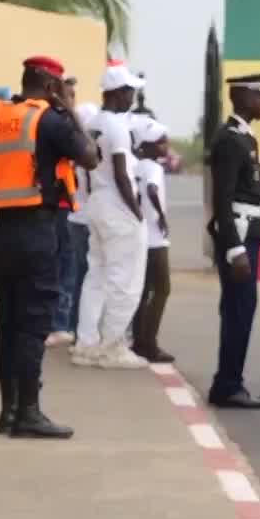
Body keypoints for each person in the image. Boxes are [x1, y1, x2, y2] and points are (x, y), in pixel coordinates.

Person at [0, 56, 96, 439]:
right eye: (59, 86)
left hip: (3, 232)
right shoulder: (50, 119)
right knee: (33, 324)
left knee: (8, 322)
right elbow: (89, 156)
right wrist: (70, 111)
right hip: (37, 231)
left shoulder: (1, 116)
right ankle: (28, 413)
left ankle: (8, 410)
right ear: (50, 86)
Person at [73, 64, 148, 370]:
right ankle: (112, 346)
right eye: (129, 90)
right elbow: (121, 173)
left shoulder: (93, 123)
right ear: (117, 93)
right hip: (117, 204)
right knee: (125, 280)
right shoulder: (117, 127)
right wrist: (137, 212)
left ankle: (86, 344)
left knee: (97, 277)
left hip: (96, 202)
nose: (133, 95)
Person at [206, 76, 260, 409]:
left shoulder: (245, 137)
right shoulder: (231, 141)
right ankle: (228, 385)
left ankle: (229, 381)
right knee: (238, 311)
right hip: (239, 237)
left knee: (240, 310)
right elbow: (223, 199)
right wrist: (234, 250)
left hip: (249, 230)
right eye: (259, 95)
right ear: (243, 97)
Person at [128, 116, 175, 364]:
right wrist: (161, 216)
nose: (165, 147)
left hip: (140, 236)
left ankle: (138, 340)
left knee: (143, 291)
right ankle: (150, 343)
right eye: (160, 143)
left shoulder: (136, 166)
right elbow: (152, 190)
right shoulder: (154, 169)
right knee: (162, 290)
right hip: (156, 240)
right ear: (146, 145)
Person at [47, 75, 89, 348]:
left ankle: (67, 323)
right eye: (67, 95)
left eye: (73, 95)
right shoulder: (59, 126)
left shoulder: (64, 124)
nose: (71, 101)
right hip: (60, 207)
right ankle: (61, 324)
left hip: (73, 208)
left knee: (71, 268)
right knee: (65, 268)